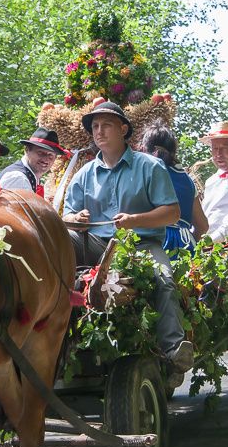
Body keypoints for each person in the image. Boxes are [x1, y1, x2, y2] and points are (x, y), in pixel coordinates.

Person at [63, 100, 193, 375]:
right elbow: (66, 217)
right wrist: (76, 219)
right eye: (95, 126)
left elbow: (172, 213)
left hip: (141, 246)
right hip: (95, 245)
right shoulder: (84, 174)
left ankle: (173, 349)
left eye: (106, 125)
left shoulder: (150, 166)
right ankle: (55, 339)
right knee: (57, 245)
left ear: (123, 129)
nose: (99, 131)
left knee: (164, 280)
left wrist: (135, 220)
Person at [140, 122, 209, 253]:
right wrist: (190, 241)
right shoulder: (187, 181)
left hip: (154, 244)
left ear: (143, 150)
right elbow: (202, 226)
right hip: (185, 245)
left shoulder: (143, 176)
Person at [0, 127, 69, 195]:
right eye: (40, 152)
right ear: (27, 150)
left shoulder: (29, 175)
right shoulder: (18, 178)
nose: (45, 159)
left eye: (50, 155)